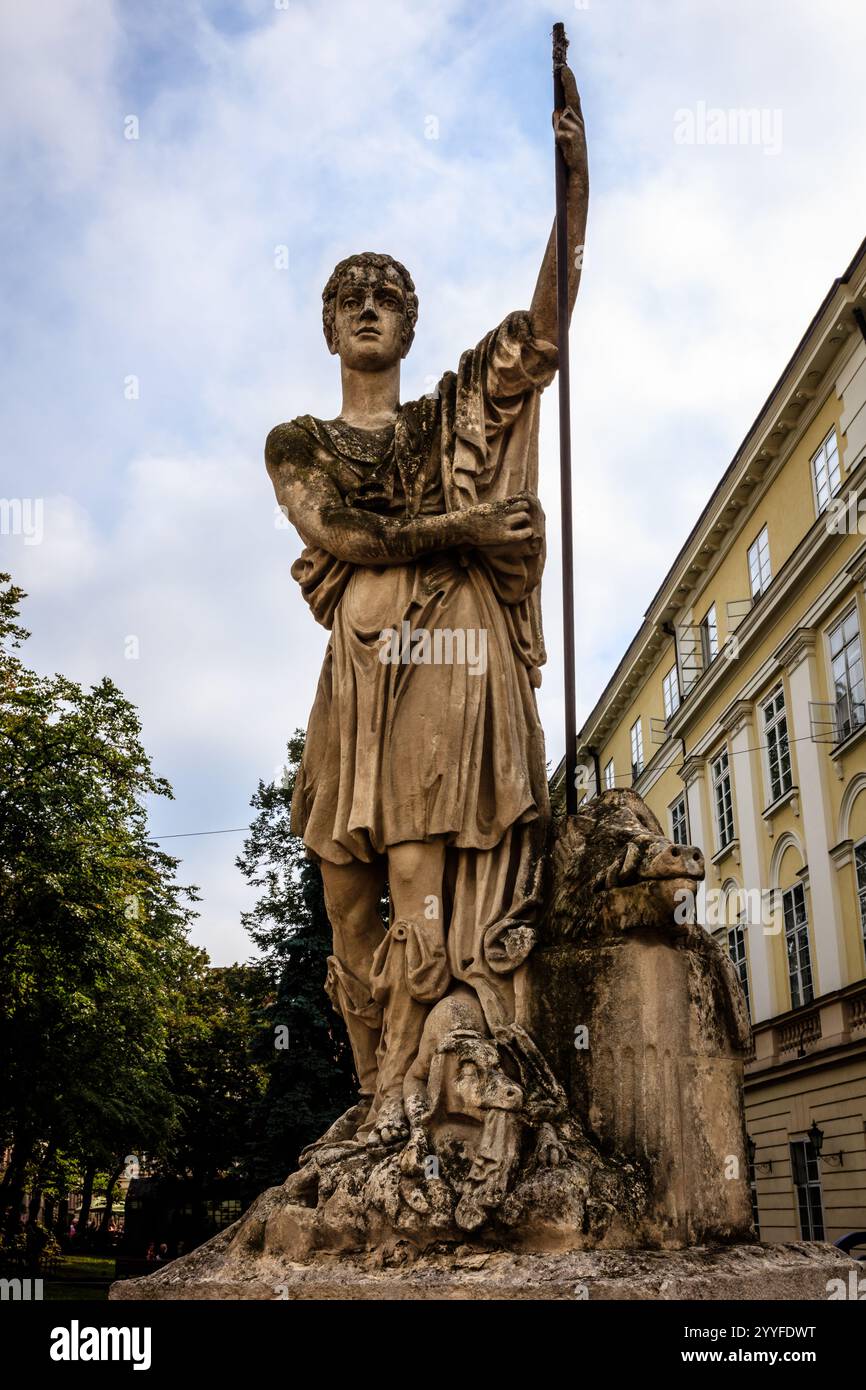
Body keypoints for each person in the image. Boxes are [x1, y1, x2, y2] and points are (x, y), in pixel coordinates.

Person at [267, 64, 588, 1149]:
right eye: (347, 296)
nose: (366, 305)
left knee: (417, 867)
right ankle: (374, 1087)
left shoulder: (444, 413)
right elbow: (344, 539)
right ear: (328, 329)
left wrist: (571, 201)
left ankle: (428, 1089)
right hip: (357, 669)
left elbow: (536, 341)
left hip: (445, 649)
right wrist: (466, 530)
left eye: (385, 294)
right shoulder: (299, 442)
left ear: (407, 321)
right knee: (343, 892)